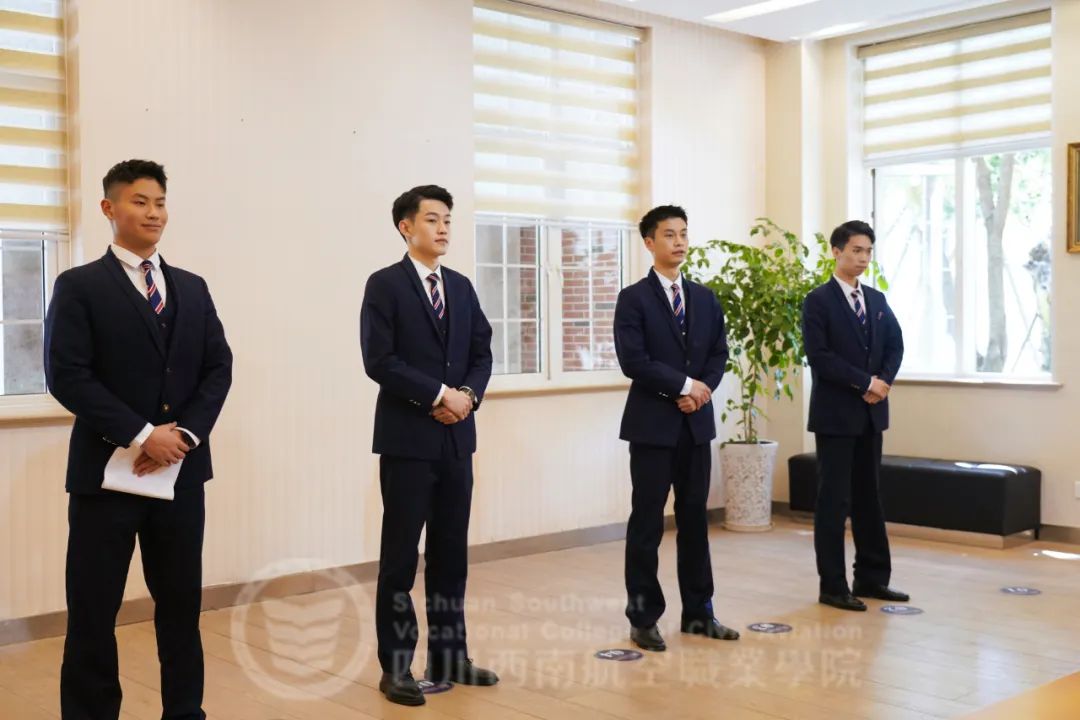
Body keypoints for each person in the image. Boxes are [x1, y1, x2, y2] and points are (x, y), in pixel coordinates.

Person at [44, 159, 233, 719]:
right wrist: (144, 434)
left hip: (181, 476)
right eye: (140, 201)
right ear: (109, 208)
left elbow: (218, 368)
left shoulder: (192, 288)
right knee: (93, 610)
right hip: (105, 478)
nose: (153, 213)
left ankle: (185, 711)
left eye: (160, 203)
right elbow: (67, 375)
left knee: (181, 607)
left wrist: (185, 436)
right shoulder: (79, 286)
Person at [359, 184, 496, 706]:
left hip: (457, 440)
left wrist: (466, 397)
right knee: (400, 558)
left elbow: (482, 353)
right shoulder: (384, 285)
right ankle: (396, 667)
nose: (443, 229)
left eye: (447, 221)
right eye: (432, 219)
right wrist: (440, 394)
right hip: (408, 441)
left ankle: (449, 654)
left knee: (450, 553)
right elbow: (380, 360)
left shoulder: (460, 286)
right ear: (406, 226)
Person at [613, 205, 739, 653]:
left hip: (695, 427)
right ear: (649, 242)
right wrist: (685, 386)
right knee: (647, 524)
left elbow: (718, 353)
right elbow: (634, 360)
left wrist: (701, 391)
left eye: (684, 233)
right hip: (652, 428)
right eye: (669, 234)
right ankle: (643, 617)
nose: (680, 241)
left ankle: (699, 613)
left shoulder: (704, 298)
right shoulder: (633, 298)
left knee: (695, 522)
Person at [802, 220, 907, 612]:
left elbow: (895, 345)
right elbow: (820, 357)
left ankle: (872, 578)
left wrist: (883, 382)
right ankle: (833, 586)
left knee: (869, 497)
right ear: (836, 251)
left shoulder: (877, 300)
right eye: (856, 250)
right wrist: (864, 382)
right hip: (836, 416)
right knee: (834, 500)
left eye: (868, 252)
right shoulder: (818, 301)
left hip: (871, 414)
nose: (863, 258)